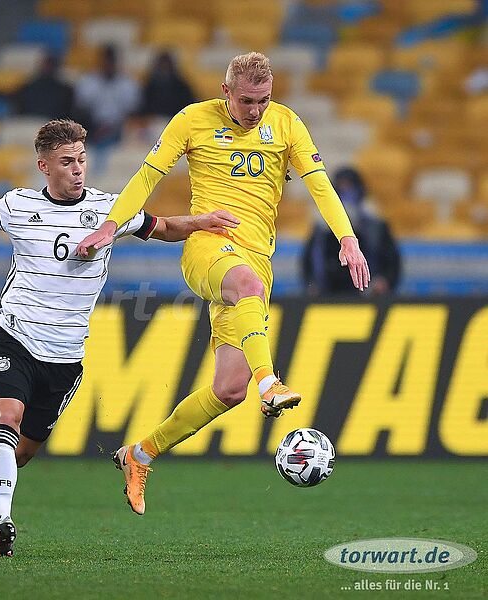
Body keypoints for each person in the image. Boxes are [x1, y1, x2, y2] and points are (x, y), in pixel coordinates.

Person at [0, 119, 239, 558]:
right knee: (8, 417)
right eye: (67, 162)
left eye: (82, 160)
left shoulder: (110, 210)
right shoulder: (18, 205)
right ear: (44, 166)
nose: (77, 169)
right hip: (15, 334)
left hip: (65, 357)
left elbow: (162, 227)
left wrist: (200, 222)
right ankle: (2, 520)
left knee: (21, 453)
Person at [76, 52, 371, 515]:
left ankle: (140, 454)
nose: (256, 110)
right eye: (247, 101)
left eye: (264, 100)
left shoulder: (286, 124)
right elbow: (147, 177)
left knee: (230, 389)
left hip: (256, 258)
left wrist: (348, 239)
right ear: (226, 92)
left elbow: (320, 186)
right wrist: (110, 226)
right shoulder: (193, 120)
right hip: (208, 247)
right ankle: (270, 383)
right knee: (247, 288)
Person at [303, 167, 400, 296]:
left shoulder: (375, 226)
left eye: (350, 187)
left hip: (367, 296)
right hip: (329, 294)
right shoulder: (321, 228)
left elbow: (392, 262)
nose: (346, 193)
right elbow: (309, 261)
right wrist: (312, 284)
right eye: (341, 188)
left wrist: (384, 281)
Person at [73, 45, 140, 147]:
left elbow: (133, 111)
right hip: (92, 127)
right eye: (106, 61)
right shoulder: (88, 81)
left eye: (111, 62)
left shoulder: (128, 84)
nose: (108, 65)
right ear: (100, 62)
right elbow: (81, 107)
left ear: (116, 63)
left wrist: (110, 127)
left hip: (119, 129)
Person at [12, 54, 74, 119]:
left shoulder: (65, 91)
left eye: (49, 66)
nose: (47, 68)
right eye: (46, 65)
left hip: (50, 122)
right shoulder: (26, 88)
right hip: (29, 122)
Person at [139, 51, 196, 119]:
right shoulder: (150, 85)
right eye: (162, 65)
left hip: (175, 118)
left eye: (166, 65)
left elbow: (188, 105)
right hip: (154, 119)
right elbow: (144, 105)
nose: (164, 68)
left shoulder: (180, 85)